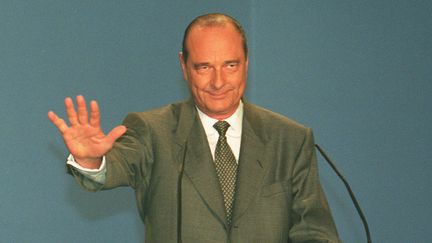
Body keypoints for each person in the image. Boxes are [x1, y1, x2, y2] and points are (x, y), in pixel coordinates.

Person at [48, 13, 340, 243]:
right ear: (183, 66)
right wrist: (92, 161)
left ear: (246, 64)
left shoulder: (289, 139)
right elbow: (115, 166)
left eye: (230, 65)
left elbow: (315, 233)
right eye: (203, 67)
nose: (218, 82)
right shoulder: (152, 131)